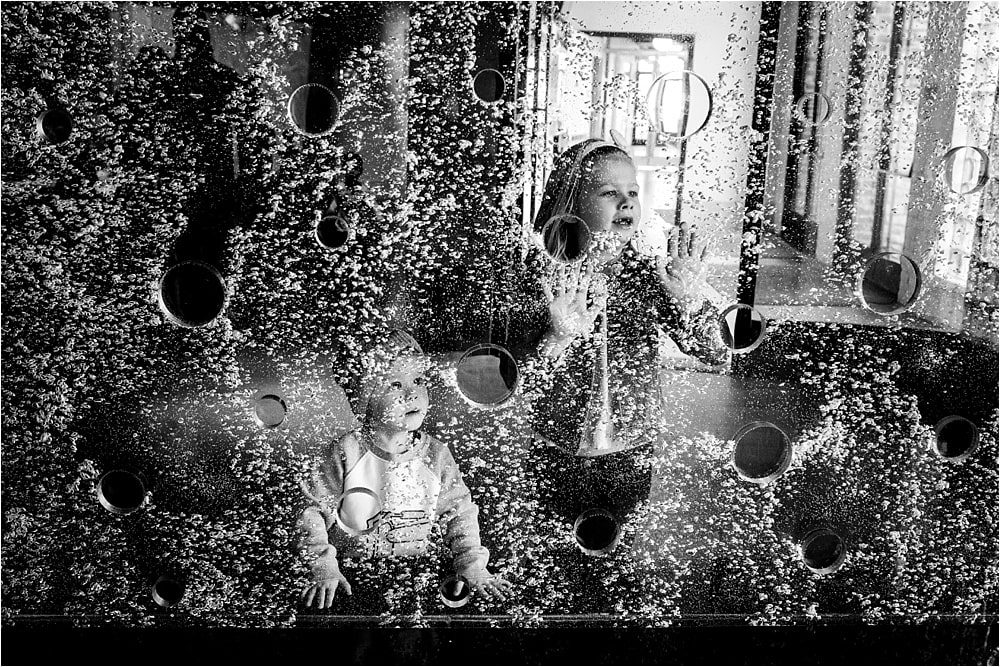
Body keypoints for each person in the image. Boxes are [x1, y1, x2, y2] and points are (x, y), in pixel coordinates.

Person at [510, 138, 729, 528]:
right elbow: (520, 380)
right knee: (556, 547)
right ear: (572, 202)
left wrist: (689, 302)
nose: (626, 203)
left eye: (633, 192)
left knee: (617, 551)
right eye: (610, 193)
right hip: (558, 448)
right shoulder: (542, 279)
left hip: (631, 449)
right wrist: (556, 340)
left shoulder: (649, 276)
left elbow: (715, 352)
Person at [298, 330, 512, 609]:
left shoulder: (436, 455)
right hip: (350, 581)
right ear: (364, 398)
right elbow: (311, 512)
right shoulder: (346, 452)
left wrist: (471, 565)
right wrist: (323, 565)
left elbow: (459, 514)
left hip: (417, 577)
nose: (412, 394)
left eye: (418, 380)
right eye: (395, 384)